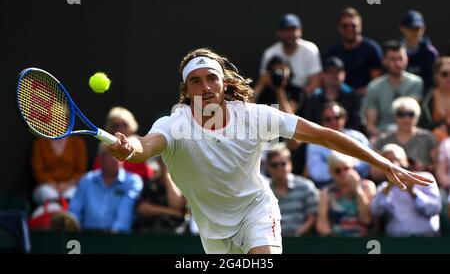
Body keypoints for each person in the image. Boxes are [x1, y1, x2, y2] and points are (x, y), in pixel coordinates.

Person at [107, 48, 432, 254]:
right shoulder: (173, 124)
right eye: (195, 82)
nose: (204, 88)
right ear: (185, 89)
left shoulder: (256, 116)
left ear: (223, 83)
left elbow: (324, 135)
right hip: (212, 228)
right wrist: (127, 148)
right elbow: (145, 146)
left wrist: (382, 162)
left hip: (256, 210)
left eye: (211, 79)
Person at [69, 143, 143, 233]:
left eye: (120, 154)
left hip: (119, 239)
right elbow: (74, 211)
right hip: (86, 238)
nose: (117, 158)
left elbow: (124, 216)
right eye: (112, 154)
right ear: (100, 159)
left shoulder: (132, 181)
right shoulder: (87, 180)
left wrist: (111, 239)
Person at [371, 144, 441, 237]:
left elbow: (434, 209)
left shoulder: (424, 178)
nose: (393, 165)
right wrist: (388, 187)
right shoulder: (384, 187)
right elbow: (376, 212)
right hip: (397, 243)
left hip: (427, 240)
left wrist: (413, 192)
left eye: (396, 159)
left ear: (405, 160)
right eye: (388, 161)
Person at [363, 40, 423, 140]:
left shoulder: (416, 82)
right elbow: (370, 125)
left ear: (407, 59)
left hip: (410, 135)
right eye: (393, 59)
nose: (398, 63)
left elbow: (411, 115)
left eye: (401, 58)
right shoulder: (374, 87)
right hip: (382, 136)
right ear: (384, 61)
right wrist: (383, 137)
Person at [254, 13, 322, 97]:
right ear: (278, 32)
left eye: (293, 30)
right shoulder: (270, 53)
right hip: (275, 96)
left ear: (300, 31)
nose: (289, 34)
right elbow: (263, 81)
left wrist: (300, 98)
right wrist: (278, 88)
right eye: (286, 30)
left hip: (302, 96)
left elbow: (316, 81)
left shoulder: (310, 49)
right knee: (275, 106)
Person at [306, 102, 370, 188]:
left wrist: (341, 168)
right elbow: (316, 172)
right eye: (328, 119)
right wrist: (343, 169)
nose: (333, 122)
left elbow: (368, 162)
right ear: (322, 122)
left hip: (358, 183)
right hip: (328, 187)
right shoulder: (315, 143)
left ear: (344, 118)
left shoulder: (358, 138)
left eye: (337, 117)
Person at [315, 152, 376, 237]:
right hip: (336, 243)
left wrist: (358, 190)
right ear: (331, 172)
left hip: (364, 242)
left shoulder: (367, 186)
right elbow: (322, 225)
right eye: (337, 171)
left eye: (346, 168)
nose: (343, 173)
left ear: (353, 168)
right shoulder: (326, 192)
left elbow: (367, 220)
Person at [325, 7, 383, 95]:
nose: (349, 29)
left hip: (367, 98)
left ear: (360, 26)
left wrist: (355, 95)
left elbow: (377, 82)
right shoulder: (332, 52)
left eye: (353, 26)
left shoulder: (371, 49)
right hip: (339, 100)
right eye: (345, 26)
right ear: (339, 28)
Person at [374, 97, 437, 177]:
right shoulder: (384, 139)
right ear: (395, 116)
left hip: (420, 182)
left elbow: (437, 166)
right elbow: (374, 172)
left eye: (410, 114)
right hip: (390, 183)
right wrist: (392, 167)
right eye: (401, 114)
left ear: (417, 116)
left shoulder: (428, 137)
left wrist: (424, 166)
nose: (406, 119)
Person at [265, 144, 319, 237]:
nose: (279, 168)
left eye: (283, 163)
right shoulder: (264, 190)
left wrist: (297, 235)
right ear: (268, 167)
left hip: (301, 242)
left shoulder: (306, 186)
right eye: (275, 165)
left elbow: (312, 217)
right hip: (272, 241)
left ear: (290, 164)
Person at [92, 106, 154, 180]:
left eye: (125, 125)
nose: (121, 128)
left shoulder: (142, 143)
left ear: (132, 126)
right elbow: (97, 171)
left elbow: (151, 172)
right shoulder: (104, 148)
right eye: (116, 125)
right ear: (110, 127)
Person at [304, 56, 363, 131]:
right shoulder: (313, 98)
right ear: (323, 75)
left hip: (347, 138)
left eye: (337, 72)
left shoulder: (352, 96)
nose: (334, 76)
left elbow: (356, 123)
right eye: (330, 72)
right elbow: (309, 124)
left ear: (344, 74)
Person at [31, 136, 87, 205]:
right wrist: (53, 184)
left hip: (71, 187)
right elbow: (38, 172)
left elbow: (81, 171)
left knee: (72, 197)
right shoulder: (40, 143)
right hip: (47, 187)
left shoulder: (77, 142)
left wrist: (68, 184)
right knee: (49, 195)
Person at [399, 10, 439, 94]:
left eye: (417, 28)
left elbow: (432, 83)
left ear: (423, 28)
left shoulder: (430, 53)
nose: (414, 32)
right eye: (411, 28)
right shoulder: (395, 51)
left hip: (423, 98)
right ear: (402, 28)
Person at [420, 57, 450, 142]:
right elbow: (423, 124)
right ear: (436, 76)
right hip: (433, 140)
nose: (449, 77)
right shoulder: (428, 97)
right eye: (444, 74)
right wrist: (442, 125)